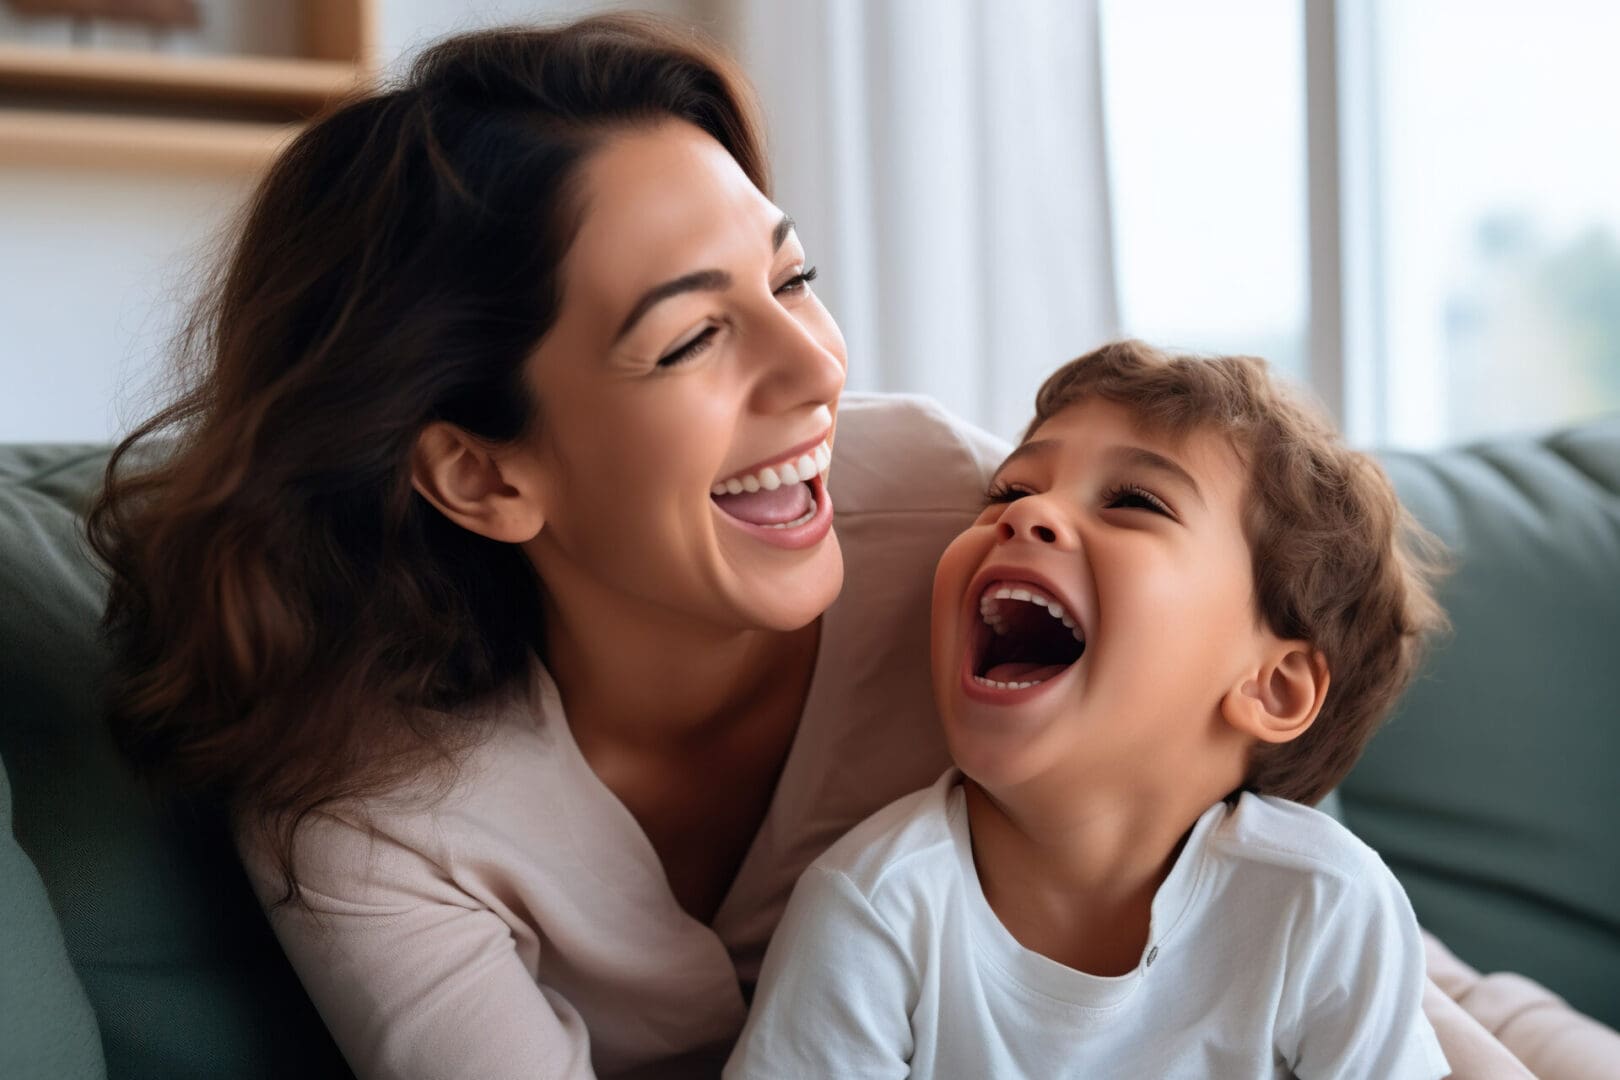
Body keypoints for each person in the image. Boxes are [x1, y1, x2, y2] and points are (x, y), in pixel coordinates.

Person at [83, 14, 1535, 1080]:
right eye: (695, 335)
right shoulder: (368, 811)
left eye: (794, 280)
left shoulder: (958, 526)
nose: (815, 369)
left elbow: (1306, 918)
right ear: (481, 472)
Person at [727, 342, 1452, 1078]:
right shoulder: (873, 907)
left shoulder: (1322, 905)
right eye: (1008, 492)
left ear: (1273, 688)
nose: (1028, 513)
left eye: (1135, 502)